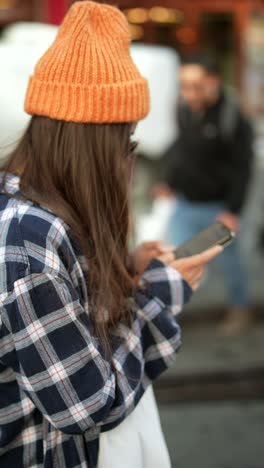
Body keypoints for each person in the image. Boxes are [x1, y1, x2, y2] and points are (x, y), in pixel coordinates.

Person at [0, 3, 222, 468]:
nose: (129, 160)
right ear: (98, 149)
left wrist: (126, 271)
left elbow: (68, 311)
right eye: (127, 142)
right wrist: (161, 293)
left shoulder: (33, 209)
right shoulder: (29, 242)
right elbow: (87, 404)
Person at [160, 55, 254, 336]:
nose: (187, 92)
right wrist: (168, 181)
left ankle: (241, 310)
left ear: (212, 83)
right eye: (183, 85)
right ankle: (169, 317)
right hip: (185, 202)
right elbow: (181, 149)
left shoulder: (232, 117)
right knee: (177, 258)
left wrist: (232, 211)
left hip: (217, 208)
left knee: (229, 263)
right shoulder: (185, 108)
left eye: (195, 85)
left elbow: (243, 168)